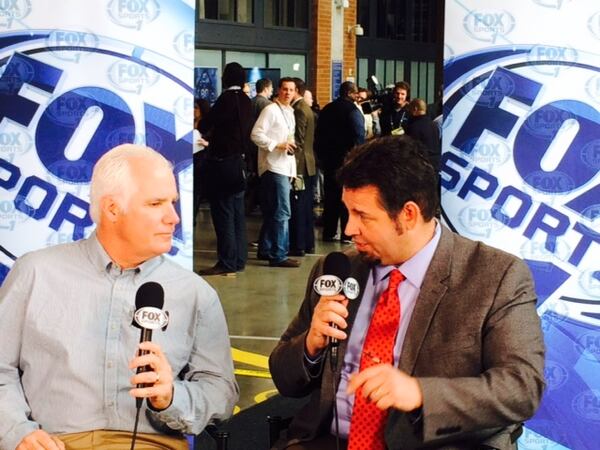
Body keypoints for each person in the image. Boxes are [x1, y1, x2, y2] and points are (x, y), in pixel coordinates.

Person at [269, 136, 545, 450]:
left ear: (408, 215)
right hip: (328, 441)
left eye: (363, 216)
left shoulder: (496, 277)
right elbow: (283, 378)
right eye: (348, 213)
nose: (348, 229)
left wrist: (419, 394)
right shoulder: (336, 269)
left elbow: (522, 388)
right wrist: (310, 345)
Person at [0, 144, 238, 449]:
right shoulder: (35, 272)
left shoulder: (195, 293)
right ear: (112, 209)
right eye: (156, 203)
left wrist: (171, 397)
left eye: (173, 202)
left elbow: (221, 392)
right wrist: (17, 432)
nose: (173, 218)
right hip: (54, 442)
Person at [199, 62, 253, 276]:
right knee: (238, 215)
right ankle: (239, 259)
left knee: (223, 214)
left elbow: (206, 125)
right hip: (240, 164)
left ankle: (227, 261)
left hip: (223, 165)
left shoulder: (225, 100)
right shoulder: (246, 101)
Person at [251, 77, 301, 268]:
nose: (288, 93)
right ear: (278, 91)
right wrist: (276, 145)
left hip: (284, 166)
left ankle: (266, 249)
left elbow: (289, 139)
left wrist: (292, 170)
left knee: (274, 211)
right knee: (282, 211)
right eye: (285, 89)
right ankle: (279, 254)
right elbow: (256, 134)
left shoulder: (290, 112)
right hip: (272, 166)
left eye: (291, 90)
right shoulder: (270, 110)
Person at [314, 81, 365, 243]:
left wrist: (321, 156)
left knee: (330, 197)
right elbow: (359, 136)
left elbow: (318, 135)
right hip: (347, 161)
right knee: (346, 197)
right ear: (350, 93)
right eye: (356, 93)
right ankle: (346, 234)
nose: (357, 96)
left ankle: (329, 232)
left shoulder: (327, 109)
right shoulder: (353, 111)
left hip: (329, 160)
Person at [289, 78, 317, 257]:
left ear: (296, 90)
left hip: (300, 165)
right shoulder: (307, 108)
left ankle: (298, 244)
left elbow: (298, 140)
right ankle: (307, 243)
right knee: (306, 207)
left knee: (299, 206)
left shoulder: (299, 109)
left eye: (290, 90)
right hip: (309, 163)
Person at [404, 98, 441, 172]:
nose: (409, 112)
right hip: (435, 165)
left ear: (415, 108)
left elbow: (411, 148)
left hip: (421, 166)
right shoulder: (434, 125)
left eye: (410, 109)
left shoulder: (414, 126)